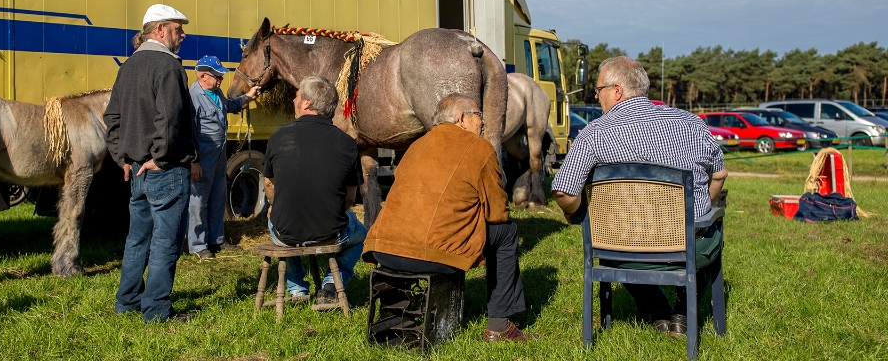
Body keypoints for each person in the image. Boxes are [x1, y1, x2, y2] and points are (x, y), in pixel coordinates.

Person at [552, 55, 728, 337]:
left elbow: (564, 190)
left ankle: (657, 310)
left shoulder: (592, 135)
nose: (597, 97)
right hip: (686, 247)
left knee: (626, 234)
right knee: (709, 228)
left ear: (617, 91)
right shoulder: (692, 124)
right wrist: (701, 214)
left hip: (620, 249)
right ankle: (682, 313)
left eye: (599, 91)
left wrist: (575, 212)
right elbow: (718, 175)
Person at [363, 93, 532, 342]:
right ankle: (499, 326)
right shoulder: (479, 148)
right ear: (462, 118)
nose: (483, 123)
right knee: (507, 233)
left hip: (383, 249)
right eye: (479, 116)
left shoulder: (416, 145)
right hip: (429, 255)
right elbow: (497, 214)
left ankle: (398, 314)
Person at [104, 4, 199, 323]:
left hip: (136, 170)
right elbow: (169, 119)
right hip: (166, 169)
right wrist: (159, 158)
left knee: (137, 238)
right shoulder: (169, 67)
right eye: (178, 28)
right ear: (160, 30)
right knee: (165, 241)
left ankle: (128, 300)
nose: (183, 34)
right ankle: (156, 310)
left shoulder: (128, 66)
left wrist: (124, 157)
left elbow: (112, 117)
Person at [263, 75, 368, 308]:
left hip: (284, 231)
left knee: (279, 221)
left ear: (307, 103)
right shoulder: (348, 143)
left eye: (297, 95)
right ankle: (331, 284)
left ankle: (297, 288)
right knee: (361, 233)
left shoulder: (279, 136)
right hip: (330, 231)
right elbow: (350, 198)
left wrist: (274, 204)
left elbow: (269, 184)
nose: (293, 99)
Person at [187, 55, 260, 260]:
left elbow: (231, 106)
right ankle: (198, 246)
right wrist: (193, 161)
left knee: (218, 198)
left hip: (219, 155)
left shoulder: (216, 93)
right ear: (202, 76)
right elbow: (188, 132)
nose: (220, 80)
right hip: (202, 157)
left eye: (220, 76)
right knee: (198, 201)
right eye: (216, 76)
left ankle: (216, 240)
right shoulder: (193, 97)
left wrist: (249, 97)